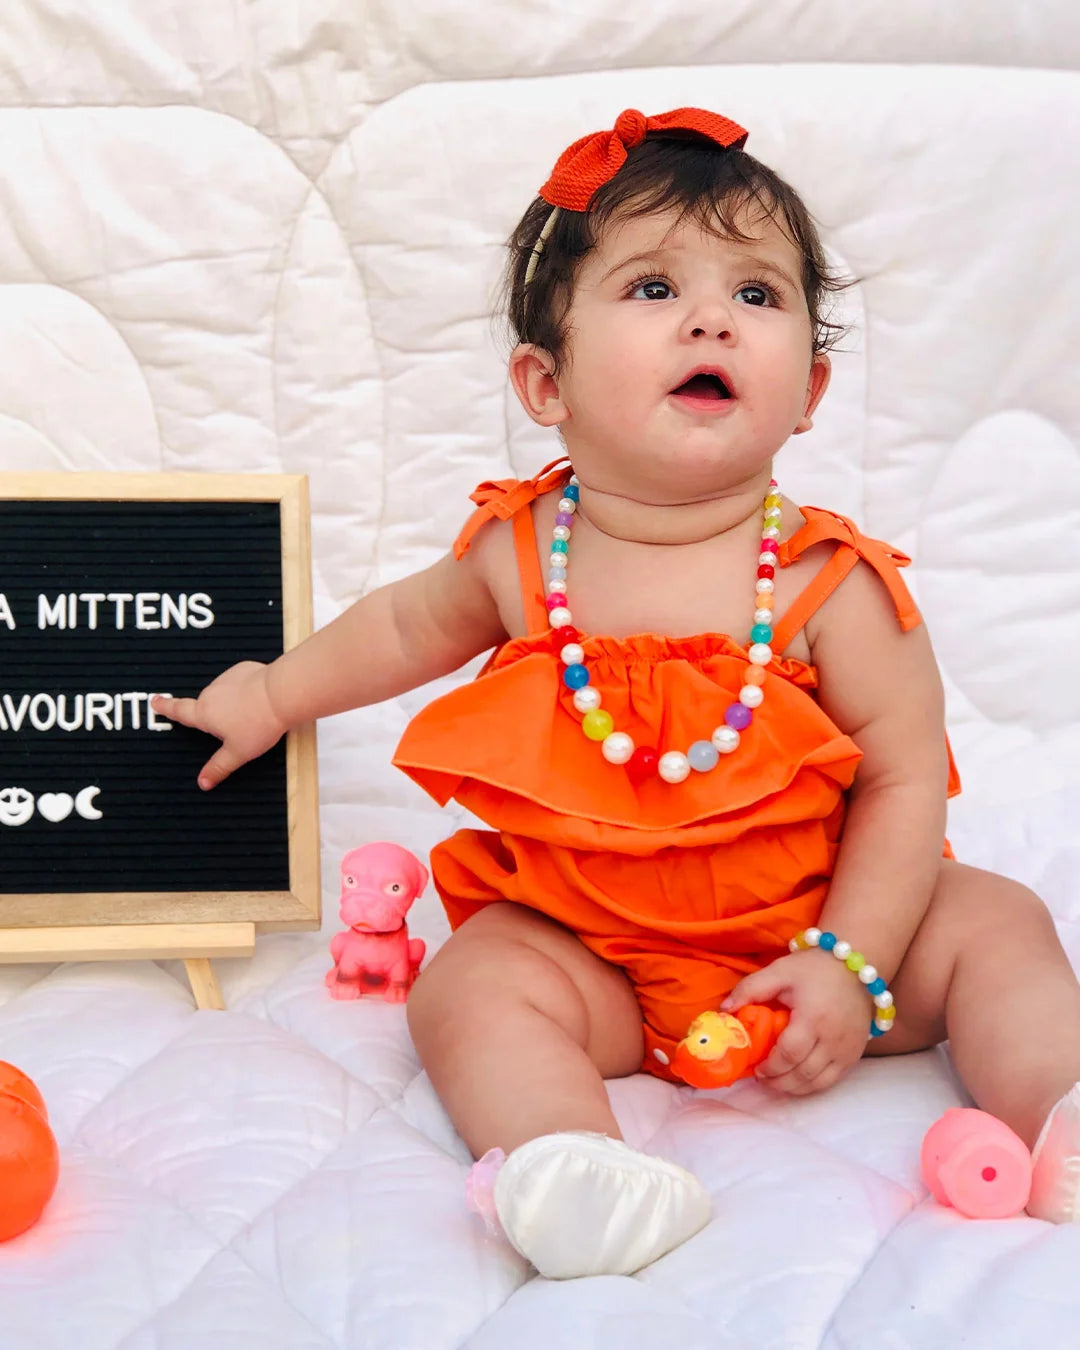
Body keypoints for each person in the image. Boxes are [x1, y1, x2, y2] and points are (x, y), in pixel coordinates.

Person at [152, 106, 1080, 1279]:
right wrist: (275, 693)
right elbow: (402, 625)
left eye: (758, 296)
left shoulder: (832, 587)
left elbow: (903, 780)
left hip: (817, 935)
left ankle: (1060, 1104)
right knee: (471, 987)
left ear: (813, 389)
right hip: (595, 959)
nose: (711, 318)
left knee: (999, 924)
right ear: (546, 383)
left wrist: (853, 960)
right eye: (653, 289)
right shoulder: (523, 550)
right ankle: (570, 1166)